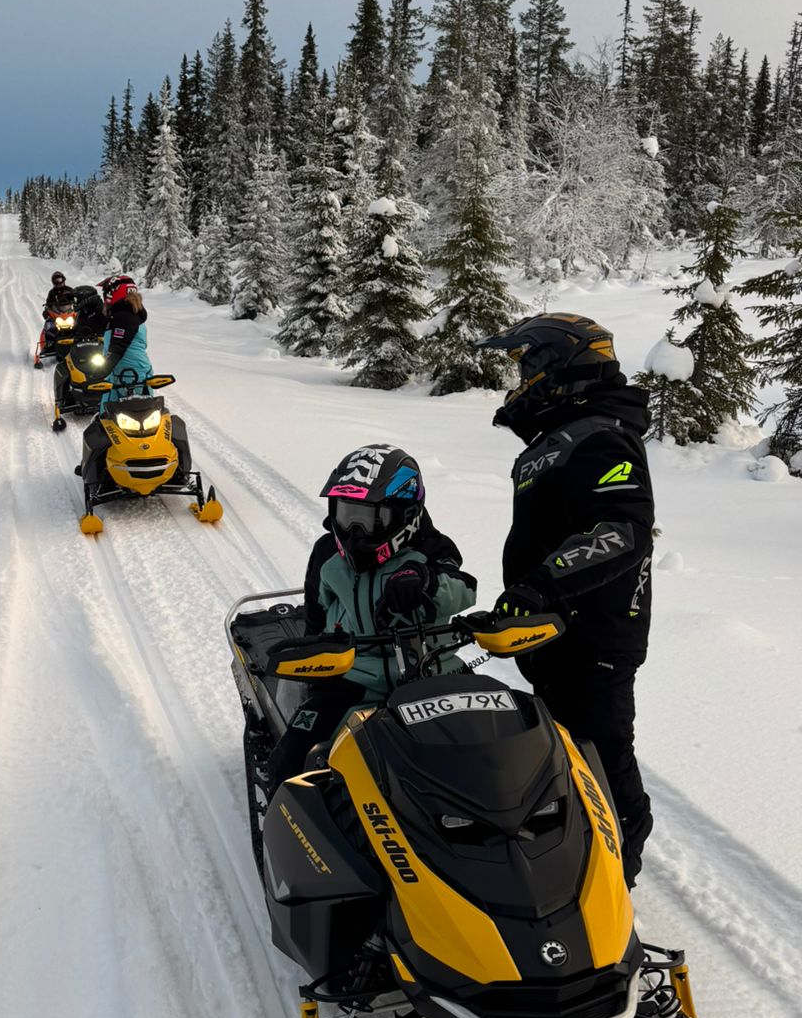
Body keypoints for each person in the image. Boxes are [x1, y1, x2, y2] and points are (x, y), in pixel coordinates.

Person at [477, 313, 655, 883]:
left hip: (594, 636)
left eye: (528, 364)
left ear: (560, 366)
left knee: (602, 756)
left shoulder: (599, 435)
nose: (521, 377)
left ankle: (617, 876)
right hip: (555, 634)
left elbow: (620, 530)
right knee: (562, 755)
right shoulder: (560, 439)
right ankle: (569, 858)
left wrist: (540, 586)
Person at [263, 446, 476, 786]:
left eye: (371, 518)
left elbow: (463, 588)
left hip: (433, 671)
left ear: (405, 513)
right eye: (348, 515)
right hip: (351, 678)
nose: (356, 532)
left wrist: (426, 582)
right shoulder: (328, 552)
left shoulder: (430, 548)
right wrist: (316, 660)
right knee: (288, 763)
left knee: (495, 745)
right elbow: (316, 616)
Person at [102, 273, 150, 390]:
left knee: (107, 406)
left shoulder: (123, 317)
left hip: (126, 377)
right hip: (139, 374)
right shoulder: (132, 315)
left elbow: (117, 350)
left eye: (107, 294)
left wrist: (97, 375)